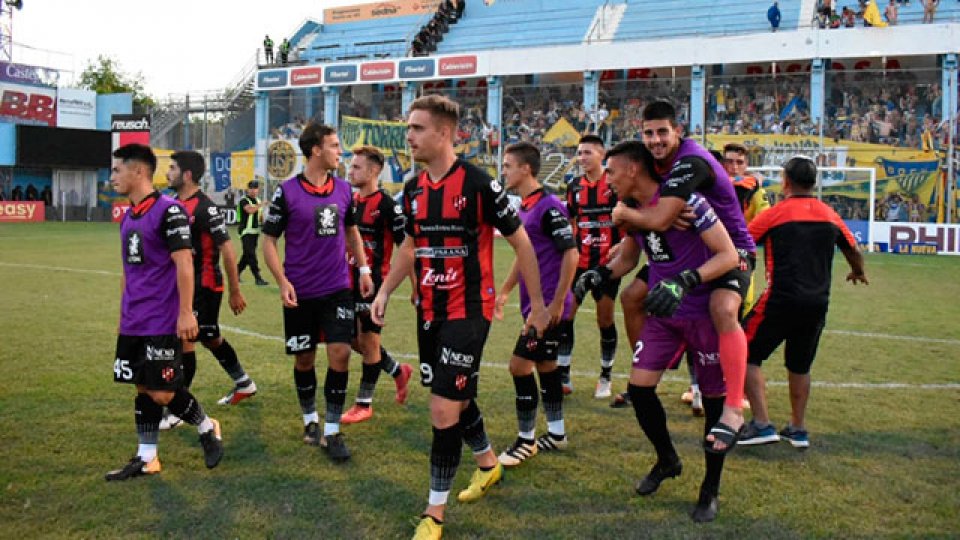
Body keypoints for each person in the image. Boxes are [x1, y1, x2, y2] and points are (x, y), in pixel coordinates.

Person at [370, 95, 549, 540]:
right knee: (458, 396)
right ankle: (488, 465)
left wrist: (540, 306)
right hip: (427, 310)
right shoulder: (411, 189)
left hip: (470, 310)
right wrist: (386, 291)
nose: (408, 136)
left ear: (444, 133)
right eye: (408, 128)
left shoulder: (478, 184)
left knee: (443, 408)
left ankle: (434, 514)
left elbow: (522, 243)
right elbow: (410, 247)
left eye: (417, 128)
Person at [590, 141, 740, 522]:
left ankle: (710, 489)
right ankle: (667, 459)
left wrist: (686, 281)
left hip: (702, 314)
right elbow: (628, 257)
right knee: (640, 390)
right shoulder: (631, 211)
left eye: (611, 172)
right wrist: (599, 274)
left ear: (633, 170)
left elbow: (729, 256)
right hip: (663, 315)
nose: (606, 180)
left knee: (714, 402)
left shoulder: (688, 204)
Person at [606, 101, 755, 452]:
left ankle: (734, 405)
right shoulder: (654, 163)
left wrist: (624, 213)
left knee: (721, 308)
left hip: (730, 251)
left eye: (662, 132)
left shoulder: (691, 161)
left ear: (678, 131)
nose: (655, 139)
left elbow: (658, 217)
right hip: (685, 249)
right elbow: (654, 212)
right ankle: (652, 363)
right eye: (649, 132)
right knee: (631, 297)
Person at [105, 143, 223, 481]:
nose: (112, 176)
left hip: (162, 318)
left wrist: (186, 312)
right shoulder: (128, 217)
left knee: (163, 392)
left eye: (117, 170)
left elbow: (185, 262)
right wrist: (122, 315)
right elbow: (130, 272)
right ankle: (147, 458)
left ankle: (206, 428)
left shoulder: (169, 211)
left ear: (138, 171)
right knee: (142, 387)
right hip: (134, 319)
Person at [262, 123, 374, 463]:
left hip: (338, 287)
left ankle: (332, 430)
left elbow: (352, 231)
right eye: (334, 146)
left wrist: (364, 269)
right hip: (301, 290)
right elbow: (268, 240)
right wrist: (282, 281)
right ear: (315, 150)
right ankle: (310, 419)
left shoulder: (343, 190)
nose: (340, 152)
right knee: (305, 358)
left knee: (340, 353)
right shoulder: (287, 192)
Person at [738, 157, 868, 448]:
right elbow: (853, 249)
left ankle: (761, 424)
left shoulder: (776, 214)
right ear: (814, 183)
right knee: (800, 365)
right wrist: (857, 271)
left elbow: (745, 242)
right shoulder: (829, 215)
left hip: (781, 299)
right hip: (817, 303)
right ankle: (797, 428)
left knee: (745, 351)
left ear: (785, 181)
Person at [494, 142, 578, 467]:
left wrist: (555, 304)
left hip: (546, 309)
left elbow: (571, 253)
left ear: (525, 168)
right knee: (546, 366)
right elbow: (524, 256)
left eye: (507, 165)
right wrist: (504, 291)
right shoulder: (526, 208)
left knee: (518, 366)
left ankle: (526, 440)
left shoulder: (549, 206)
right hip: (536, 306)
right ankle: (556, 434)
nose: (504, 171)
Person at [163, 150, 257, 431]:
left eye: (172, 168)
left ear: (187, 175)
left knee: (186, 340)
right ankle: (244, 382)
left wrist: (235, 290)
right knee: (210, 337)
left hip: (204, 285)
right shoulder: (172, 205)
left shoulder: (205, 208)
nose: (168, 173)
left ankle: (179, 409)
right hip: (183, 286)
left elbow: (227, 249)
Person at [340, 145, 414, 425]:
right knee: (351, 340)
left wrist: (416, 286)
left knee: (369, 342)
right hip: (346, 282)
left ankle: (364, 403)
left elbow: (407, 248)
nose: (351, 170)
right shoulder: (350, 201)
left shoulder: (387, 206)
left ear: (374, 171)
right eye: (351, 165)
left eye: (357, 167)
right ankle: (397, 371)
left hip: (374, 285)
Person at [566, 135, 623, 399]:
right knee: (566, 315)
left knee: (605, 319)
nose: (582, 157)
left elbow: (625, 223)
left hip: (607, 265)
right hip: (579, 263)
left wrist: (619, 249)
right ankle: (563, 374)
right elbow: (570, 220)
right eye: (580, 153)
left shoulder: (613, 184)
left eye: (588, 152)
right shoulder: (574, 186)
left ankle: (605, 376)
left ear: (601, 155)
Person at [236, 180, 269, 286]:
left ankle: (235, 273)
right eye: (251, 188)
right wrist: (261, 205)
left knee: (247, 255)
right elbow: (250, 210)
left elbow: (259, 216)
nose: (253, 190)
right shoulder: (244, 200)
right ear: (248, 189)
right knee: (251, 254)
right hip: (245, 231)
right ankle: (258, 277)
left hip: (255, 232)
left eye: (255, 188)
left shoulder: (258, 200)